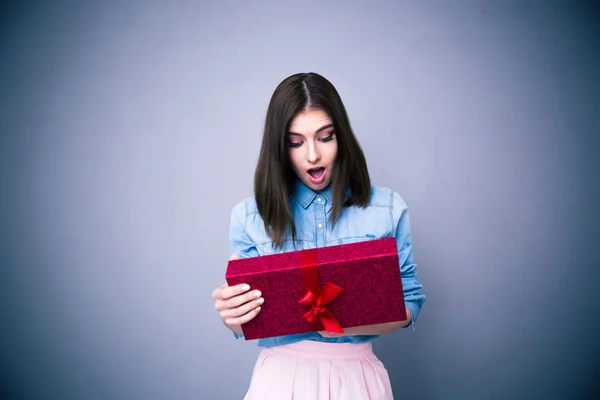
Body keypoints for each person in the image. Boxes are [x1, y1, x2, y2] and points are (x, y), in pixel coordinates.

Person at [212, 72, 426, 399]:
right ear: (279, 148)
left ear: (342, 136)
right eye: (296, 142)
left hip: (358, 379)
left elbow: (409, 302)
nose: (312, 155)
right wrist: (232, 317)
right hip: (281, 380)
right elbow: (245, 323)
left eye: (325, 137)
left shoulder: (387, 207)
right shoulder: (248, 216)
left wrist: (342, 321)